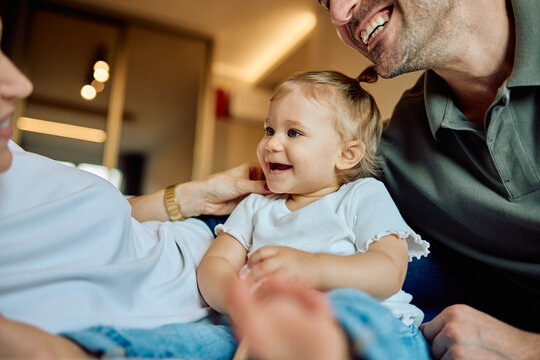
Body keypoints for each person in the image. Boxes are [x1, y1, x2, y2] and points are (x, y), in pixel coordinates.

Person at [227, 0, 540, 359]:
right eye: (326, 2)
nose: (338, 14)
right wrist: (184, 198)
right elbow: (285, 216)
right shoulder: (395, 149)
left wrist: (529, 348)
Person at [0, 16, 272, 358]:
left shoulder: (10, 158)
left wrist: (195, 195)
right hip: (216, 309)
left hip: (205, 231)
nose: (22, 84)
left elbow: (94, 226)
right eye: (272, 131)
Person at [197, 68, 430, 359]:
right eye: (269, 130)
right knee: (201, 339)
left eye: (293, 132)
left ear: (346, 155)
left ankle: (324, 345)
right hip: (269, 327)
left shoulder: (362, 195)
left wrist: (312, 269)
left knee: (353, 312)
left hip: (365, 322)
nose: (271, 143)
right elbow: (215, 262)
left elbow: (389, 271)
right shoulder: (257, 204)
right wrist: (238, 300)